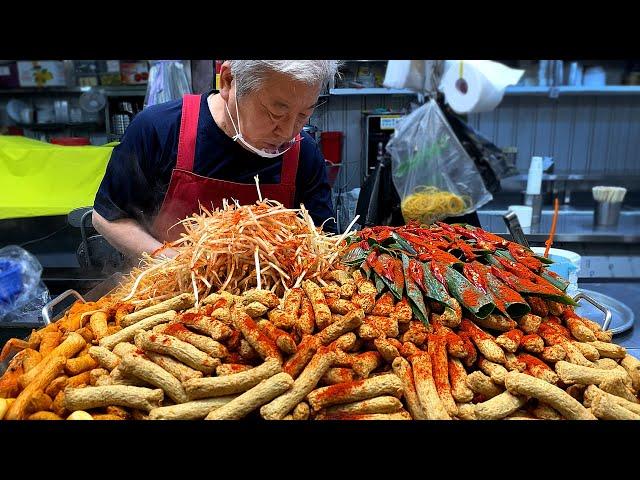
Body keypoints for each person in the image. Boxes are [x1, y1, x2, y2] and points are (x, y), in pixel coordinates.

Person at [92, 60, 338, 260]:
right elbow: (108, 217)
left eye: (304, 114)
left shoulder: (303, 153)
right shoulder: (160, 129)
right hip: (171, 297)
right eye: (276, 113)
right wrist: (172, 262)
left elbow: (322, 242)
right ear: (229, 81)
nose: (287, 133)